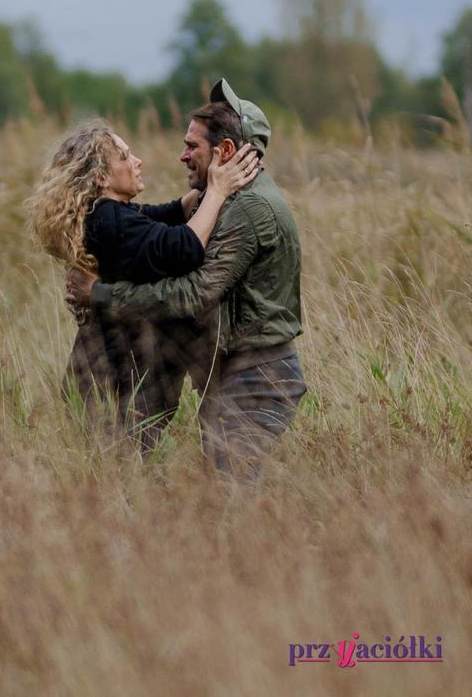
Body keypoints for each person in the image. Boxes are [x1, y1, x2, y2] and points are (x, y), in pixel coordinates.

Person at [67, 79, 307, 481]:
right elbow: (152, 229)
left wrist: (100, 293)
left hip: (258, 376)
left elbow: (194, 292)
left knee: (230, 493)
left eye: (192, 146)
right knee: (220, 491)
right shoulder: (226, 201)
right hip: (234, 372)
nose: (182, 156)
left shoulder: (248, 210)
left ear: (225, 152)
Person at [28, 119, 259, 450]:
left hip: (105, 380)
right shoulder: (109, 221)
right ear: (101, 177)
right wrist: (219, 191)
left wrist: (210, 181)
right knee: (115, 479)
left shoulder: (108, 213)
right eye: (124, 156)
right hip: (114, 385)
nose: (137, 161)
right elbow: (184, 248)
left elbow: (161, 216)